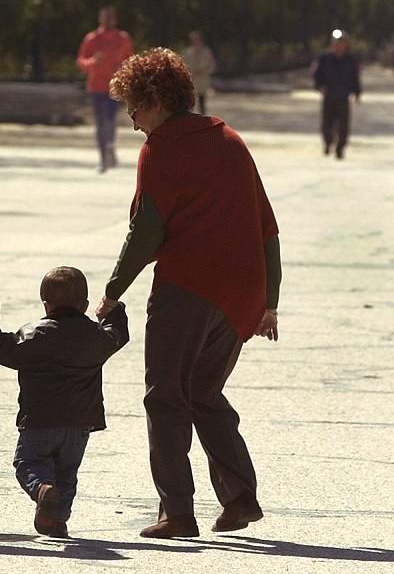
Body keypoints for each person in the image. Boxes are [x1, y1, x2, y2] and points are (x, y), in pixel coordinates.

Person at [95, 48, 282, 539]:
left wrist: (113, 291)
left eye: (133, 110)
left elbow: (146, 229)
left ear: (154, 99)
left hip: (188, 287)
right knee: (204, 391)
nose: (133, 123)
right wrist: (269, 301)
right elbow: (267, 226)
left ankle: (176, 512)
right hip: (242, 292)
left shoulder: (163, 149)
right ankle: (239, 497)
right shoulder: (231, 139)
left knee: (166, 396)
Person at [0, 267, 128, 538]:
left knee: (29, 463)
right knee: (67, 473)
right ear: (86, 305)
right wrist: (114, 310)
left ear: (46, 303)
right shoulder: (96, 338)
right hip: (79, 424)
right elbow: (117, 334)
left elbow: (1, 348)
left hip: (40, 421)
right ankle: (55, 521)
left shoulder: (34, 336)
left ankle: (42, 488)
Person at [77, 6, 134, 173]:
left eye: (111, 17)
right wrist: (93, 62)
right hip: (96, 86)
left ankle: (110, 146)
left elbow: (131, 60)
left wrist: (125, 73)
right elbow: (81, 61)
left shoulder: (123, 38)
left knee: (110, 119)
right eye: (105, 17)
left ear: (115, 19)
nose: (109, 20)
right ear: (100, 19)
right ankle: (103, 158)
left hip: (115, 86)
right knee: (100, 122)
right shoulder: (92, 39)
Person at [311, 30, 361, 159]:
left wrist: (357, 92)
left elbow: (355, 77)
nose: (339, 46)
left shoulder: (351, 60)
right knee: (327, 124)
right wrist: (319, 86)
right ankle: (328, 143)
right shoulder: (324, 59)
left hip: (344, 97)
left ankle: (340, 149)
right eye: (337, 43)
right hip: (329, 96)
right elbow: (316, 75)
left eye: (342, 43)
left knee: (343, 126)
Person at [182, 31, 216, 115]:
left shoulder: (207, 52)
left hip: (202, 80)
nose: (195, 42)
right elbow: (183, 65)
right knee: (190, 103)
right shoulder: (188, 52)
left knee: (202, 101)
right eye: (193, 40)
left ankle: (203, 119)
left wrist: (203, 71)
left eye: (197, 40)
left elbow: (212, 66)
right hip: (191, 80)